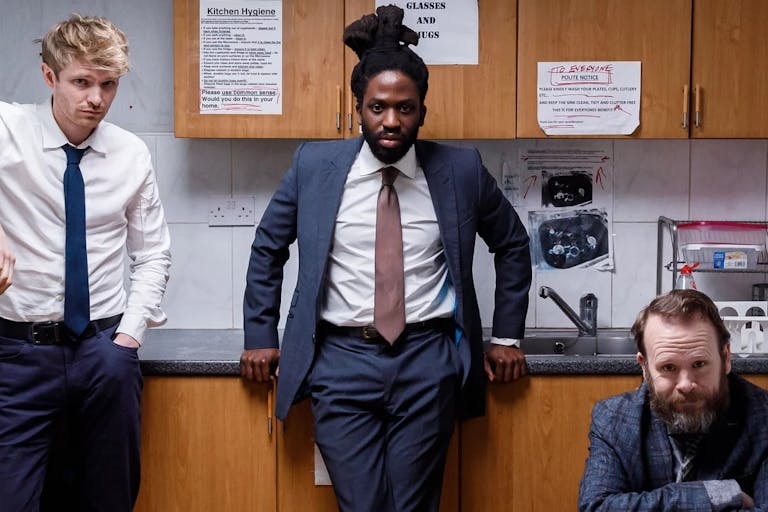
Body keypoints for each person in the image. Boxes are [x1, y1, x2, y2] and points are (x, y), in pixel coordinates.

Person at [240, 5, 531, 511]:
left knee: (415, 505)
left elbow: (512, 243)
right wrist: (260, 336)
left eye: (405, 108)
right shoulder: (315, 166)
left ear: (422, 109)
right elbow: (269, 246)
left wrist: (506, 337)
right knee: (363, 504)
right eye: (378, 107)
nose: (391, 121)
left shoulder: (460, 170)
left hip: (427, 360)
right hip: (341, 362)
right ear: (358, 107)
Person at [0, 14, 171, 511]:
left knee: (108, 500)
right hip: (18, 357)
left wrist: (129, 338)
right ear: (49, 76)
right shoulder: (9, 130)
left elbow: (153, 251)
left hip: (104, 353)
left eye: (108, 84)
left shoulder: (131, 154)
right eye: (81, 82)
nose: (95, 98)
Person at [579, 289, 768, 511]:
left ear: (725, 357)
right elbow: (597, 507)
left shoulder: (763, 417)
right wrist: (715, 494)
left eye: (699, 364)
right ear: (644, 366)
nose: (686, 385)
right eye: (668, 368)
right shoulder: (613, 419)